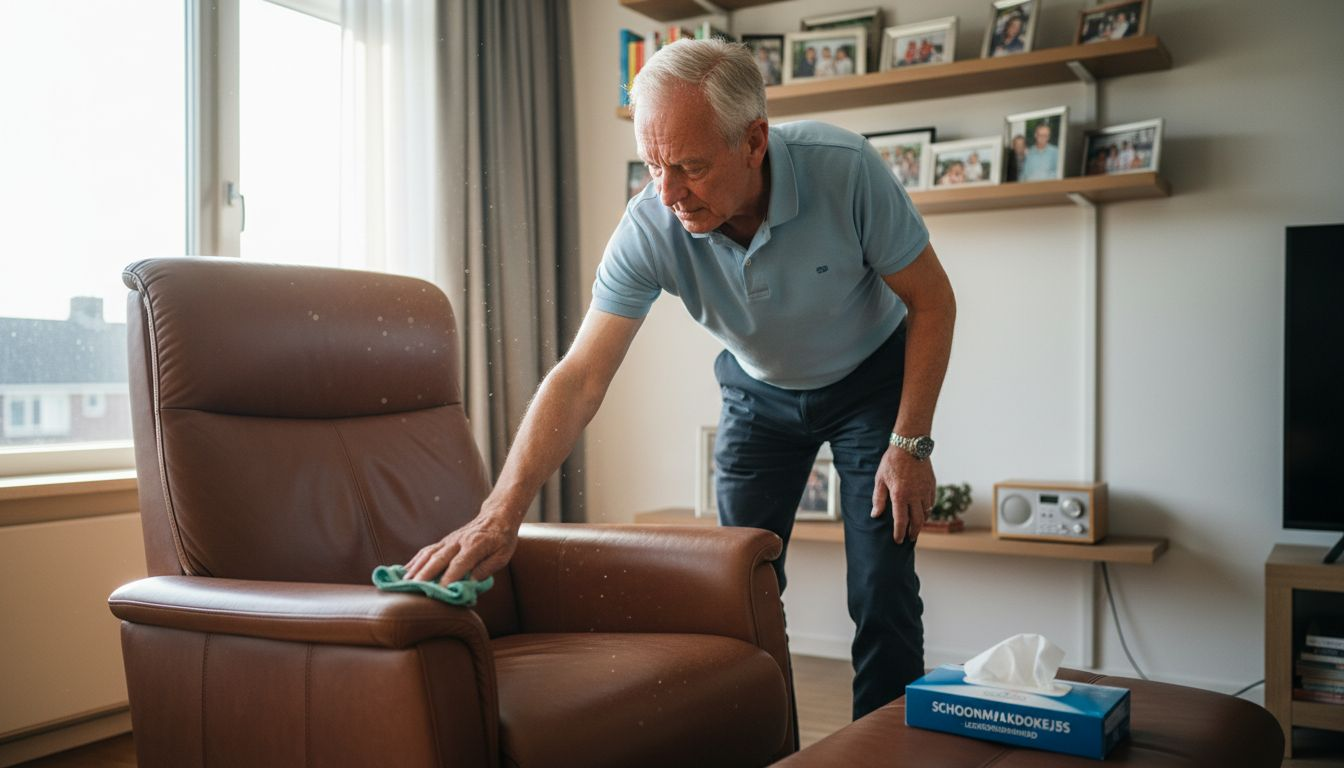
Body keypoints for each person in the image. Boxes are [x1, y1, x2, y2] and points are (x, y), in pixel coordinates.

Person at [403, 38, 957, 722]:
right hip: (758, 394)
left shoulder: (842, 171)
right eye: (653, 164)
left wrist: (912, 444)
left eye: (691, 166)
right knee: (740, 588)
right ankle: (761, 738)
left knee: (882, 586)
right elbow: (580, 377)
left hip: (871, 383)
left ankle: (888, 752)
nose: (667, 193)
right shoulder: (651, 224)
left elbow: (932, 301)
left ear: (754, 142)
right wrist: (501, 513)